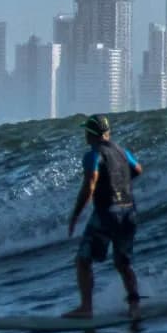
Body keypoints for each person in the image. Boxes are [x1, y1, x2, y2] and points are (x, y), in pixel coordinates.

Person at [64, 114, 143, 319]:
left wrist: (75, 216)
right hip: (129, 211)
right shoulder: (122, 152)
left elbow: (90, 184)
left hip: (107, 213)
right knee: (123, 263)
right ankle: (134, 308)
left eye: (86, 132)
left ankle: (86, 307)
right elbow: (138, 169)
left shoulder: (93, 154)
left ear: (90, 134)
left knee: (83, 260)